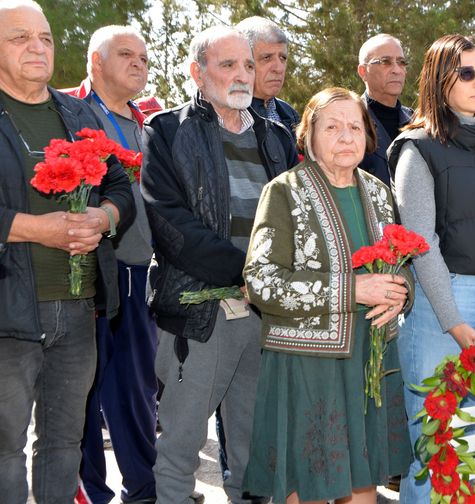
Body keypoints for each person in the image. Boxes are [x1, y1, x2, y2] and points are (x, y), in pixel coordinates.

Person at [141, 26, 299, 503]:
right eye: (228, 65)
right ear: (197, 72)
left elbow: (294, 219)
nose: (242, 75)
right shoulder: (168, 130)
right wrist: (246, 274)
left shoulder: (277, 137)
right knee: (182, 446)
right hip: (201, 310)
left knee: (256, 449)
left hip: (264, 313)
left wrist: (276, 284)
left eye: (248, 65)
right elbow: (171, 226)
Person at [243, 86, 412, 504]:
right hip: (308, 365)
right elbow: (261, 281)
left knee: (363, 485)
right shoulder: (284, 191)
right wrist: (351, 288)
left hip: (369, 359)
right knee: (310, 488)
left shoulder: (378, 191)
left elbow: (400, 263)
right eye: (332, 126)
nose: (346, 136)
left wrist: (400, 292)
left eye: (355, 126)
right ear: (308, 135)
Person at [387, 34, 475, 503]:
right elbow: (421, 241)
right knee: (434, 453)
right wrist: (454, 321)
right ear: (439, 78)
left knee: (470, 450)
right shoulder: (416, 147)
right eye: (465, 72)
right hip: (441, 307)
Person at [0, 1, 134, 502]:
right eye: (19, 38)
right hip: (9, 311)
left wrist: (103, 218)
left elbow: (119, 185)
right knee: (3, 448)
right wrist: (38, 228)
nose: (37, 47)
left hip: (78, 311)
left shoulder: (75, 112)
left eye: (45, 37)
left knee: (63, 442)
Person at [67, 25, 158, 504]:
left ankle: (142, 489)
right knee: (85, 389)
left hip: (141, 273)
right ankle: (90, 492)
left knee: (138, 391)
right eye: (126, 54)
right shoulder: (70, 112)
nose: (139, 63)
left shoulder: (149, 122)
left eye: (144, 56)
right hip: (89, 275)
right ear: (96, 61)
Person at [357, 34, 413, 186]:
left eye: (401, 62)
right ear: (363, 72)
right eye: (385, 62)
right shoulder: (350, 121)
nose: (397, 70)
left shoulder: (418, 122)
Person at [237, 16, 301, 135]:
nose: (279, 68)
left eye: (283, 58)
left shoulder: (290, 115)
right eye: (267, 58)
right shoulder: (226, 114)